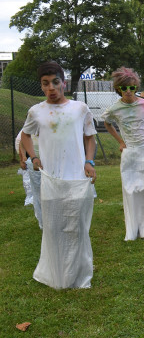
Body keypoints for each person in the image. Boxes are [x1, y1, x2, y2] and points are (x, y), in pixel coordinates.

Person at [20, 61, 97, 289]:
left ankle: (79, 275)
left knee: (77, 227)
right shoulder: (36, 111)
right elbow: (25, 135)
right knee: (54, 228)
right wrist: (33, 157)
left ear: (63, 83)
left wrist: (89, 161)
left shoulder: (80, 108)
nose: (51, 87)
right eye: (46, 84)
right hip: (51, 179)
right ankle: (56, 274)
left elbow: (89, 136)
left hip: (76, 177)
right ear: (41, 86)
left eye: (55, 82)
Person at [102, 67, 144, 241]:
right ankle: (131, 231)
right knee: (130, 190)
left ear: (136, 87)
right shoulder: (115, 109)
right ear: (119, 89)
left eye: (132, 88)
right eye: (124, 88)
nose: (128, 91)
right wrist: (120, 141)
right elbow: (107, 123)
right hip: (130, 152)